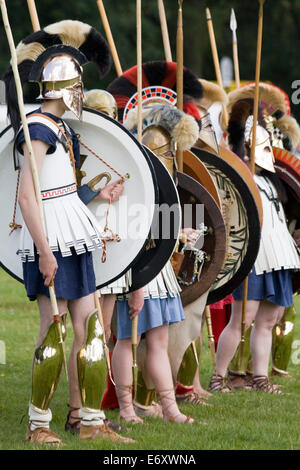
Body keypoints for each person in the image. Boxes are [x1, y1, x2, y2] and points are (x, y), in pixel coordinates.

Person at [3, 20, 136, 445]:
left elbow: (61, 189)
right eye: (77, 84)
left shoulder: (60, 127)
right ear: (63, 88)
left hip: (71, 232)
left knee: (90, 328)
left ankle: (89, 420)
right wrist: (44, 251)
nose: (82, 91)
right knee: (54, 329)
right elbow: (28, 196)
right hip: (51, 239)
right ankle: (37, 426)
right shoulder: (38, 128)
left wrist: (97, 194)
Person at [209, 98, 300, 394]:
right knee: (243, 317)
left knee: (269, 318)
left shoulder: (274, 180)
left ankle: (260, 377)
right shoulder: (238, 176)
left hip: (279, 253)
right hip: (253, 254)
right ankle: (218, 377)